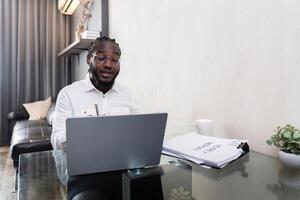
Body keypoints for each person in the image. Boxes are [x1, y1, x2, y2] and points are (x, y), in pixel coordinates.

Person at [51, 36, 139, 150]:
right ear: (88, 59)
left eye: (114, 59)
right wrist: (84, 130)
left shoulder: (128, 95)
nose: (108, 64)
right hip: (83, 164)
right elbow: (57, 143)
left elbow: (137, 135)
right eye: (101, 58)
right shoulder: (68, 94)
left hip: (121, 162)